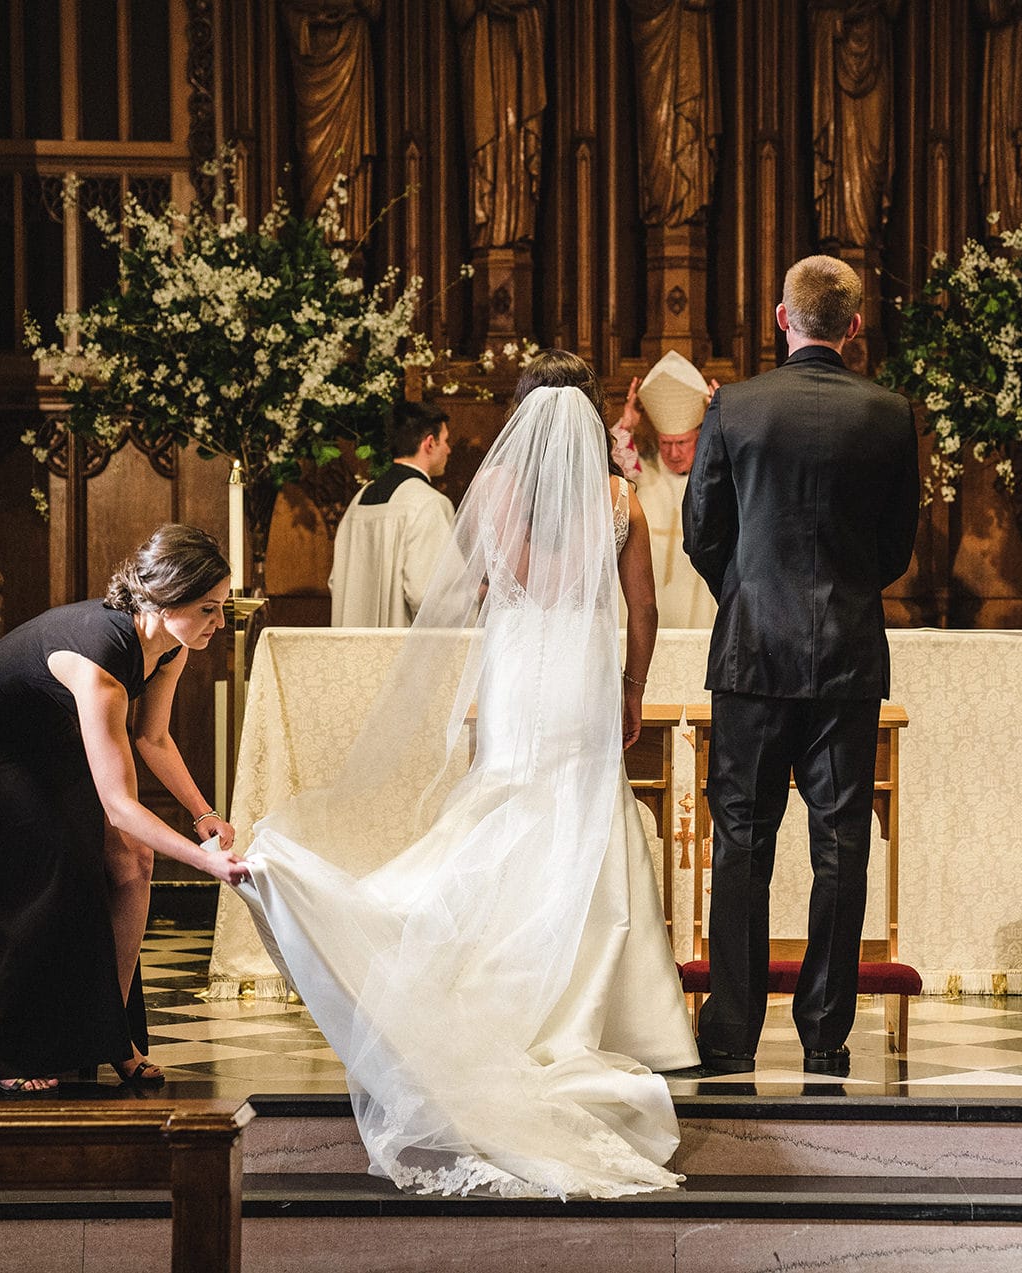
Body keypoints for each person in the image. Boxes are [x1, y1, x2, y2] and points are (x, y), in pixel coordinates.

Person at [237, 380, 698, 1198]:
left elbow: (480, 592)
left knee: (505, 808)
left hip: (520, 672)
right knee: (583, 816)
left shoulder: (497, 498)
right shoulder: (618, 498)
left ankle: (456, 957)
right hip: (585, 675)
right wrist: (632, 685)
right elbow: (644, 604)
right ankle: (613, 1011)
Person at [683, 254, 919, 1078]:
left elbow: (701, 529)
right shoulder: (890, 416)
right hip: (848, 656)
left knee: (741, 843)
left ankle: (731, 1030)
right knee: (840, 845)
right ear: (855, 326)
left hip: (750, 656)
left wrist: (745, 590)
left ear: (783, 318)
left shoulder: (736, 408)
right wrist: (843, 591)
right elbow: (896, 546)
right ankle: (825, 1030)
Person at [0, 525, 250, 1092]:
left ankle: (113, 1036)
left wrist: (203, 815)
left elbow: (153, 739)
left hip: (49, 735)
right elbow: (122, 807)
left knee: (134, 867)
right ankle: (7, 1053)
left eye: (221, 607)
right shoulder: (98, 663)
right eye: (209, 608)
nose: (220, 623)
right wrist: (209, 865)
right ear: (162, 599)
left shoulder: (172, 644)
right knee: (50, 868)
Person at [329, 401, 455, 626]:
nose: (448, 450)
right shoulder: (428, 503)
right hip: (398, 652)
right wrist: (471, 593)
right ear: (429, 443)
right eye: (445, 441)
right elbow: (427, 594)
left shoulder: (360, 499)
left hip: (351, 648)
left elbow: (335, 581)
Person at [619, 361, 720, 628]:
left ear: (699, 436)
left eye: (682, 443)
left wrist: (722, 421)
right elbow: (607, 469)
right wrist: (627, 423)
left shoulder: (715, 477)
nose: (673, 453)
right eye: (666, 443)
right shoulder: (641, 474)